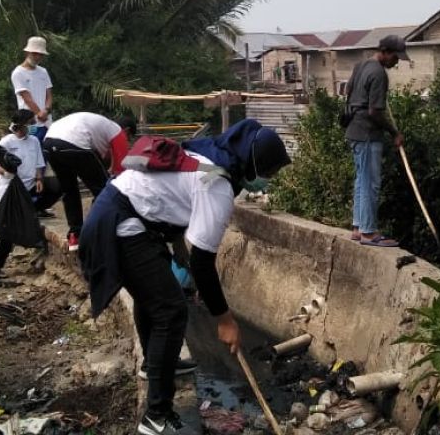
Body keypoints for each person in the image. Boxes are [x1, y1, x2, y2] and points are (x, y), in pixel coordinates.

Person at [79, 119, 291, 435]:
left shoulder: (209, 158)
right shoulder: (217, 184)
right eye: (268, 173)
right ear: (253, 164)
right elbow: (205, 263)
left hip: (120, 214)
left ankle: (155, 365)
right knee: (171, 310)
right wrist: (225, 320)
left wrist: (178, 247)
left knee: (154, 298)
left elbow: (175, 196)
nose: (267, 181)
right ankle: (156, 416)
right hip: (123, 225)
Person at [344, 34, 408, 247]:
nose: (397, 62)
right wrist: (394, 132)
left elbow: (348, 92)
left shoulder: (360, 65)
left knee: (361, 181)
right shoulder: (379, 73)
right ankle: (369, 233)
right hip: (368, 134)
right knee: (370, 183)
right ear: (386, 52)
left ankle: (357, 227)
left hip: (354, 130)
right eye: (396, 57)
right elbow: (374, 112)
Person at [0, 110, 64, 279]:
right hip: (12, 189)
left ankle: (36, 209)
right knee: (6, 229)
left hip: (30, 185)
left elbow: (38, 162)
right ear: (20, 125)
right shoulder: (6, 142)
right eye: (29, 123)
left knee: (56, 186)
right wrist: (6, 171)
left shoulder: (34, 141)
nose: (31, 127)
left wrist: (39, 178)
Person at [44, 112, 133, 252]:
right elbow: (121, 169)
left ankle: (75, 235)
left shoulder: (98, 128)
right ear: (127, 131)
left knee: (69, 190)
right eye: (128, 138)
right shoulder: (117, 130)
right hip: (74, 143)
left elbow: (100, 162)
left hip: (49, 143)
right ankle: (98, 231)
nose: (126, 140)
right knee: (105, 191)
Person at [12, 36, 53, 142]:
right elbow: (27, 98)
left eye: (40, 54)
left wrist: (46, 110)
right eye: (34, 53)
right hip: (29, 122)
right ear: (27, 53)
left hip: (46, 121)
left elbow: (49, 94)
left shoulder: (43, 71)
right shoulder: (18, 73)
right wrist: (39, 113)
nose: (37, 57)